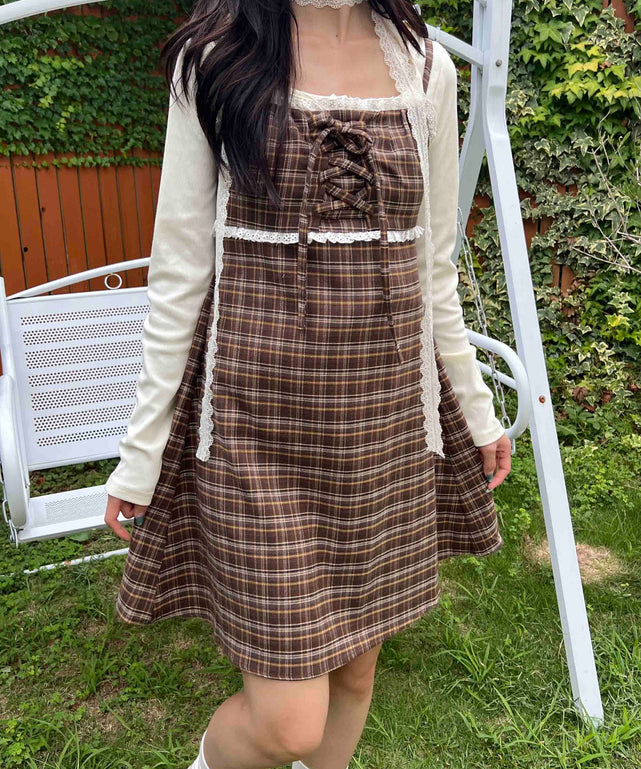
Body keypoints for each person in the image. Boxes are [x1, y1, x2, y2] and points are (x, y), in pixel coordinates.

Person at [104, 1, 512, 767]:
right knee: (288, 725)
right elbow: (180, 272)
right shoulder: (215, 60)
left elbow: (433, 270)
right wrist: (141, 451)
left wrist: (476, 408)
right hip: (253, 436)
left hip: (383, 433)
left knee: (356, 671)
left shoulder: (424, 68)